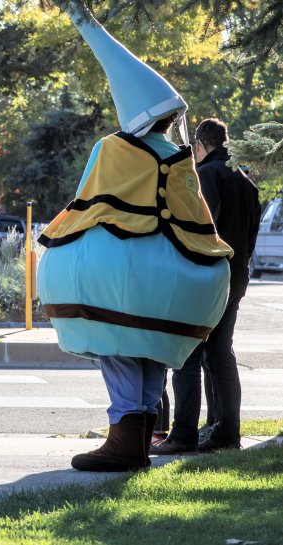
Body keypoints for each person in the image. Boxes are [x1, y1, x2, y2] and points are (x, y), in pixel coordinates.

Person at [36, 6, 233, 472]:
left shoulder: (114, 147)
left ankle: (124, 439)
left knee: (117, 345)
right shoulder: (180, 156)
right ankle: (139, 439)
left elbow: (88, 202)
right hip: (175, 275)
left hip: (123, 271)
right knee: (152, 352)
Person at [152, 119, 260, 455]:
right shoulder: (246, 181)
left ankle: (182, 435)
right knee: (220, 353)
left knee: (187, 352)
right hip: (236, 275)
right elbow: (251, 236)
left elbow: (200, 228)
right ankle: (226, 433)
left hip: (206, 275)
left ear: (199, 144)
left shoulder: (207, 176)